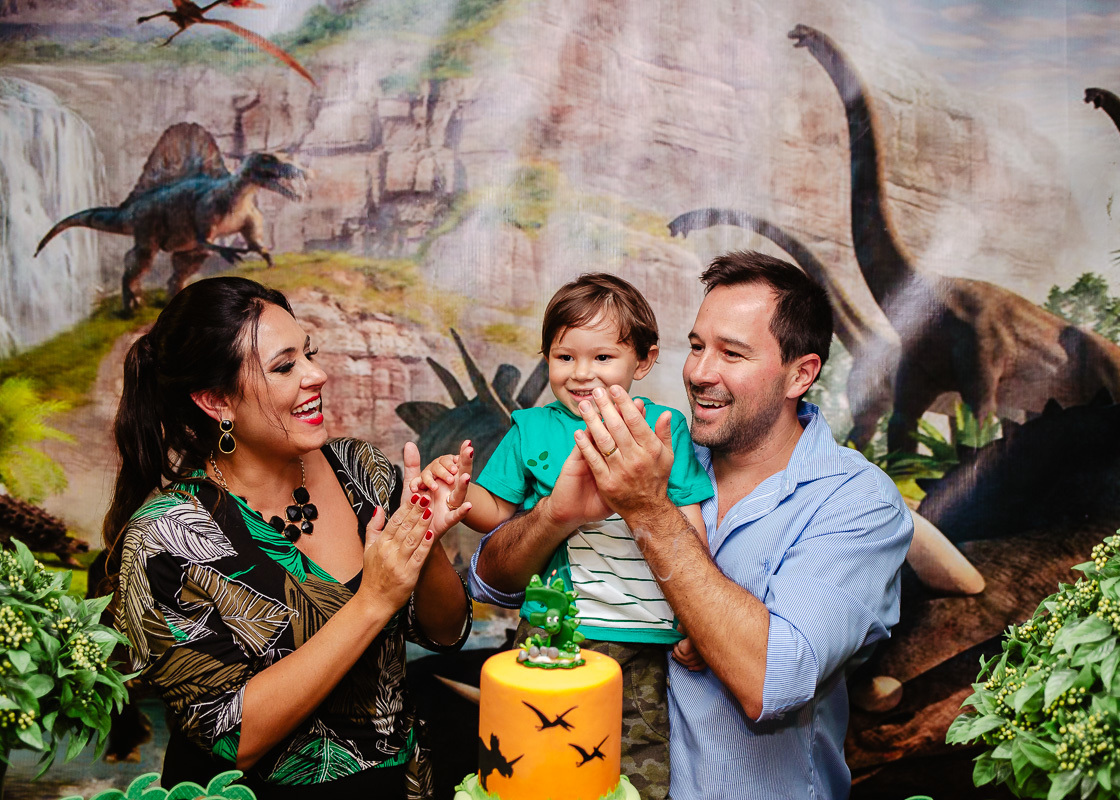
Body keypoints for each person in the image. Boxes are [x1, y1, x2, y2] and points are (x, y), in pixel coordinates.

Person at [469, 252, 914, 800]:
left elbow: (772, 681)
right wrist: (551, 518)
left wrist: (648, 508)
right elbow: (493, 582)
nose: (700, 372)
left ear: (800, 374)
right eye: (697, 346)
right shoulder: (661, 445)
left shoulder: (856, 501)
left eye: (732, 353)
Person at [103, 276, 473, 800]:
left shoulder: (360, 470)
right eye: (284, 367)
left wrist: (424, 534)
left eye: (309, 354)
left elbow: (446, 631)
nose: (316, 375)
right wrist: (372, 601)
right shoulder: (166, 538)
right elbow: (230, 737)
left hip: (398, 785)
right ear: (216, 401)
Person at [421, 273, 712, 800]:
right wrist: (457, 492)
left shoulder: (664, 428)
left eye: (602, 357)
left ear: (643, 361)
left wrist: (697, 618)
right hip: (552, 629)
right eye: (564, 357)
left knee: (636, 765)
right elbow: (495, 512)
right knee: (538, 760)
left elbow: (689, 523)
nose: (581, 373)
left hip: (643, 637)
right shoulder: (530, 428)